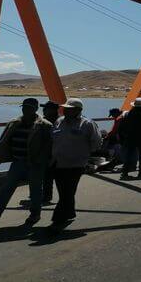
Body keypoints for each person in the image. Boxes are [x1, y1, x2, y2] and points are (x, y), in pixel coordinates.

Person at [0, 98, 53, 230]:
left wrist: (42, 162)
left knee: (35, 192)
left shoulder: (44, 125)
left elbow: (49, 146)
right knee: (4, 191)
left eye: (28, 107)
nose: (25, 110)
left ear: (35, 109)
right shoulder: (14, 123)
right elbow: (3, 144)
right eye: (24, 107)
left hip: (35, 164)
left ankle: (35, 215)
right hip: (17, 163)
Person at [47, 98, 101, 232]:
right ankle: (70, 213)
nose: (65, 110)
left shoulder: (87, 124)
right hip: (58, 163)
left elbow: (96, 142)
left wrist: (85, 153)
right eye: (65, 108)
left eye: (69, 108)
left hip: (76, 164)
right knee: (64, 191)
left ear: (78, 110)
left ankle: (57, 219)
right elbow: (52, 138)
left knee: (67, 191)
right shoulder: (59, 121)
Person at [119, 97, 141, 179]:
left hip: (131, 136)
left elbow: (127, 123)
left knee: (129, 154)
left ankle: (125, 172)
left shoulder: (131, 112)